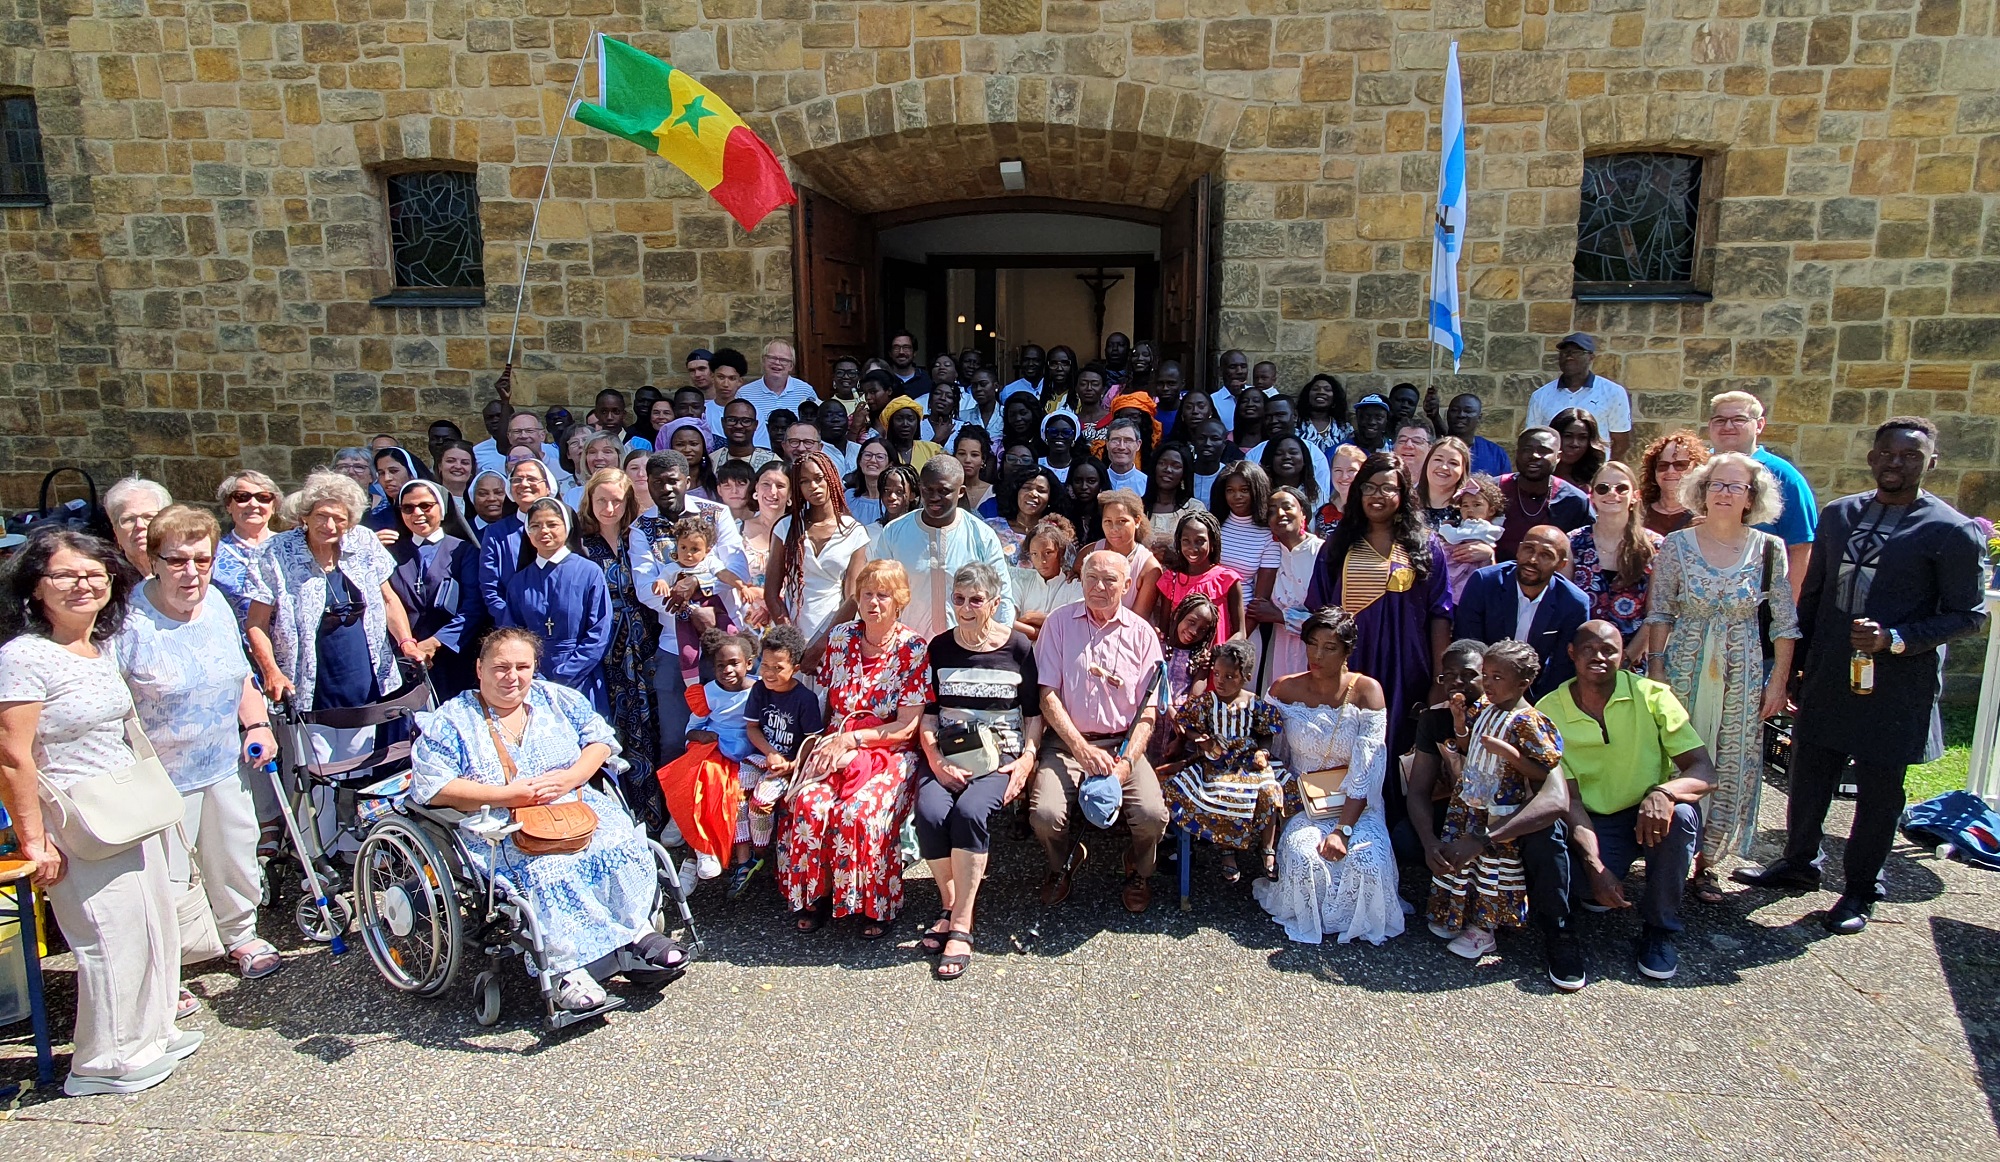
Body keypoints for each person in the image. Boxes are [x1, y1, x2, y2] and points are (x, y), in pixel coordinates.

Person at [1735, 417, 1990, 934]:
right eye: (1888, 454)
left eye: (1911, 456)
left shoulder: (1949, 529)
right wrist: (1793, 663)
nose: (1897, 463)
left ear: (1931, 462)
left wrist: (1896, 638)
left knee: (1878, 789)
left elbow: (1970, 614)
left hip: (1898, 684)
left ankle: (1859, 889)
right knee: (1809, 773)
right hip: (1830, 671)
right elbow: (1814, 594)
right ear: (1872, 457)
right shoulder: (1840, 515)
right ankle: (1798, 861)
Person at [0, 529, 214, 1095]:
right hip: (76, 816)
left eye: (95, 574)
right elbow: (12, 757)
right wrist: (34, 841)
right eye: (66, 575)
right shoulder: (22, 657)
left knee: (153, 926)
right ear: (35, 587)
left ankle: (151, 1032)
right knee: (107, 937)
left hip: (126, 804)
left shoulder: (95, 646)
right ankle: (105, 1062)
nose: (84, 584)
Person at [409, 628, 685, 1013]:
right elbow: (433, 786)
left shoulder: (556, 699)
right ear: (479, 668)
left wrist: (574, 776)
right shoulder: (452, 720)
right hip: (501, 826)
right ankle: (565, 969)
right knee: (550, 870)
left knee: (622, 843)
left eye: (522, 666)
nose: (513, 676)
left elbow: (600, 740)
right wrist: (507, 796)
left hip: (573, 808)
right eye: (501, 667)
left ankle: (634, 935)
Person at [111, 505, 283, 987]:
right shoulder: (127, 622)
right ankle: (167, 970)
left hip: (222, 760)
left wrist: (257, 726)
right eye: (178, 560)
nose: (191, 572)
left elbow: (240, 676)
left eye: (202, 561)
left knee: (233, 850)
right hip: (157, 773)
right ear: (155, 561)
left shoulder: (217, 609)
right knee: (163, 875)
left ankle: (239, 934)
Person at [1644, 451, 1799, 902]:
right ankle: (1665, 851)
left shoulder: (1769, 550)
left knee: (1731, 762)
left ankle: (1707, 862)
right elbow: (1660, 612)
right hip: (1684, 667)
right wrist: (1656, 672)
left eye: (1737, 486)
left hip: (1742, 671)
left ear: (1752, 498)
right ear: (1702, 491)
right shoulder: (1677, 544)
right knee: (1674, 756)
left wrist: (1777, 683)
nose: (1725, 493)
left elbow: (1784, 624)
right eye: (1717, 484)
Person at [1537, 621, 1715, 980]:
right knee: (1582, 880)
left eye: (1610, 650)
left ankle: (1659, 931)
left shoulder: (1653, 696)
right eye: (1589, 649)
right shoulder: (1549, 710)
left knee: (1681, 815)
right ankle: (1577, 913)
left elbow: (1704, 772)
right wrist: (1595, 866)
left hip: (1647, 813)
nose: (1599, 657)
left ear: (1624, 656)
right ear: (1572, 653)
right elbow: (1568, 801)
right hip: (1590, 820)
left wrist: (1664, 793)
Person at [780, 560, 931, 938]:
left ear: (900, 601)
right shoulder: (840, 638)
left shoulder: (913, 648)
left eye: (884, 595)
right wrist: (822, 746)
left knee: (860, 811)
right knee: (808, 803)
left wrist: (854, 740)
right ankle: (817, 895)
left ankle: (875, 904)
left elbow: (907, 726)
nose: (874, 603)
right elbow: (831, 704)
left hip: (890, 749)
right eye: (867, 594)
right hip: (838, 739)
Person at [914, 562, 1042, 979]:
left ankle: (963, 925)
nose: (966, 608)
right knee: (931, 811)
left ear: (995, 603)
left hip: (1000, 761)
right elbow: (929, 716)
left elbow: (1033, 715)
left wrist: (1026, 760)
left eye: (976, 600)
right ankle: (950, 905)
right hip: (949, 757)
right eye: (958, 599)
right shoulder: (939, 648)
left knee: (969, 813)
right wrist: (936, 761)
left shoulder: (1019, 648)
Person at [245, 472, 420, 767]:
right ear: (305, 515)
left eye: (339, 519)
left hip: (362, 679)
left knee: (360, 768)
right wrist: (272, 671)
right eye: (321, 516)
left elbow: (389, 600)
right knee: (318, 775)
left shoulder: (363, 542)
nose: (329, 526)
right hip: (309, 685)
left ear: (351, 521)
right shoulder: (275, 553)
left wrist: (406, 642)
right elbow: (256, 624)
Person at [1028, 550, 1168, 913]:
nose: (1099, 587)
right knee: (1044, 814)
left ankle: (1138, 868)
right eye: (1092, 577)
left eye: (1110, 580)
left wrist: (1124, 765)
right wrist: (1080, 748)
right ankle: (1063, 864)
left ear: (1127, 585)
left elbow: (1148, 710)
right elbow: (1046, 694)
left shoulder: (1142, 634)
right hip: (1066, 741)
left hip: (1123, 743)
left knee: (1152, 816)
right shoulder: (1059, 623)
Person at [1253, 606, 1399, 945]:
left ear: (1348, 650)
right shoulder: (1284, 688)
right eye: (1312, 644)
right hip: (1307, 801)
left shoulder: (1367, 691)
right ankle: (1308, 914)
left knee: (1368, 858)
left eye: (1329, 647)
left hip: (1358, 804)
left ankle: (1359, 921)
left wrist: (1343, 831)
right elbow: (1266, 737)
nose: (1317, 655)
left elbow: (1366, 767)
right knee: (1305, 855)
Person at [1305, 453, 1453, 767]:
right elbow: (1319, 613)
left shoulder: (1426, 547)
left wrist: (1439, 681)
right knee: (1344, 740)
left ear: (1403, 495)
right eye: (1369, 488)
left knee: (1397, 742)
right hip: (1350, 661)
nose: (1377, 496)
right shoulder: (1337, 546)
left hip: (1406, 664)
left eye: (1388, 488)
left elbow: (1440, 614)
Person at [1423, 639, 1565, 962]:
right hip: (1468, 802)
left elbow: (1543, 771)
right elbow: (1468, 745)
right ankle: (1454, 914)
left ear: (1524, 682)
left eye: (1498, 678)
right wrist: (1460, 726)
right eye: (1486, 676)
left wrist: (1511, 755)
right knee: (1462, 862)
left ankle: (1484, 930)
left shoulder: (1527, 721)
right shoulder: (1486, 709)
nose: (1488, 684)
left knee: (1491, 868)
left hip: (1497, 810)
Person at [631, 450, 749, 763]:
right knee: (676, 738)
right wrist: (687, 610)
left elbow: (738, 569)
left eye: (672, 481)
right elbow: (646, 589)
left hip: (722, 641)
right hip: (674, 645)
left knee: (731, 732)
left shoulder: (716, 514)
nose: (666, 489)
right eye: (657, 483)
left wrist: (700, 584)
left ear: (686, 480)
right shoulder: (641, 528)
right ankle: (679, 809)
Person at [1162, 640, 1286, 884]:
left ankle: (1267, 848)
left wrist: (1264, 751)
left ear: (1246, 677)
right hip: (1217, 763)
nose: (1221, 681)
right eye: (1217, 674)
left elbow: (1265, 732)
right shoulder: (1208, 702)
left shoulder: (1254, 702)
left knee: (1271, 791)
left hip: (1248, 763)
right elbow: (1187, 725)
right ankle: (1226, 851)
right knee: (1223, 793)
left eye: (1230, 676)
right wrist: (1202, 741)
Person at [575, 468, 660, 804]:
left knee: (652, 725)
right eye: (602, 501)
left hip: (645, 644)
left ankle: (655, 808)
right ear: (590, 501)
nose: (609, 508)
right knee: (613, 725)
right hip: (606, 647)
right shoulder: (581, 544)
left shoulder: (638, 538)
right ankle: (621, 805)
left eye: (617, 501)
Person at [869, 455, 1015, 645]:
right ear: (920, 489)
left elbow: (1001, 596)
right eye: (928, 490)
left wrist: (999, 647)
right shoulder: (894, 533)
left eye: (944, 491)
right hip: (905, 648)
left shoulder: (982, 536)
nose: (934, 497)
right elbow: (875, 590)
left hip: (965, 649)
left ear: (961, 492)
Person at [1453, 525, 1591, 701]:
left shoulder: (1573, 603)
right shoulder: (1484, 583)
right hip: (1482, 688)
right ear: (1518, 550)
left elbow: (1562, 667)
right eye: (1528, 549)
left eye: (1545, 555)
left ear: (1561, 565)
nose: (1533, 559)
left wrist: (1537, 705)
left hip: (1536, 693)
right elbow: (1468, 645)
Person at [1708, 390, 1817, 601]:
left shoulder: (1783, 477)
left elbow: (1801, 548)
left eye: (1739, 419)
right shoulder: (1697, 470)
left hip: (1757, 605)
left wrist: (1788, 613)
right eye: (1720, 419)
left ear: (1759, 425)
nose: (1728, 426)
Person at [386, 479, 482, 700]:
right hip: (404, 658)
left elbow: (473, 607)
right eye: (408, 508)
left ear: (442, 508)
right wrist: (407, 644)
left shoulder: (463, 551)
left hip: (452, 658)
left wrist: (436, 642)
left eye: (425, 506)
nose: (417, 513)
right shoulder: (390, 553)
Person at [767, 450, 871, 644]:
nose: (813, 486)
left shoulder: (854, 532)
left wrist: (821, 646)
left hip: (835, 636)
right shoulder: (786, 527)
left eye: (818, 478)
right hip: (790, 638)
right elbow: (771, 594)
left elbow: (852, 598)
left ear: (831, 478)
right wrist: (791, 641)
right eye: (803, 481)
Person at [1570, 461, 1663, 662]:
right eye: (1603, 488)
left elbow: (1655, 613)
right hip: (1580, 660)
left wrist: (1626, 659)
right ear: (1592, 496)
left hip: (1634, 661)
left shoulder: (1656, 547)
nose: (1612, 493)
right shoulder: (1572, 543)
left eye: (1622, 488)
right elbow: (1563, 607)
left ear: (1635, 497)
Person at [1258, 486, 1325, 691]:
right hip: (1279, 648)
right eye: (1272, 510)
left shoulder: (1322, 553)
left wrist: (1282, 616)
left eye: (1287, 507)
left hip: (1315, 649)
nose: (1279, 514)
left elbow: (1330, 613)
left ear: (1303, 512)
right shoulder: (1270, 554)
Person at [1525, 333, 1632, 462]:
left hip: (1593, 472)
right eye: (1565, 352)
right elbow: (1531, 439)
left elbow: (1621, 442)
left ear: (1591, 357)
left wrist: (1604, 470)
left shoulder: (1613, 392)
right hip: (1554, 474)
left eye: (1577, 352)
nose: (1569, 356)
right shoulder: (1541, 396)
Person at [476, 457, 559, 620]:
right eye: (517, 480)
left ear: (548, 487)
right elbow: (490, 588)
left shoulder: (565, 527)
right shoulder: (496, 533)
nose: (524, 484)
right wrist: (510, 622)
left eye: (532, 479)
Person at [1495, 427, 1592, 560]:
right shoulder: (1494, 489)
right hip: (1494, 575)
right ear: (1517, 453)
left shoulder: (1575, 501)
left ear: (1558, 457)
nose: (1534, 456)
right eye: (1527, 450)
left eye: (1543, 451)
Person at [1155, 509, 1246, 646]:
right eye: (1186, 541)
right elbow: (1164, 629)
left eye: (1200, 541)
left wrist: (1218, 654)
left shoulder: (1227, 580)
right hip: (1178, 662)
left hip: (1216, 663)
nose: (1193, 548)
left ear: (1213, 543)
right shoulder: (1171, 580)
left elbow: (1240, 632)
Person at [212, 471, 281, 629]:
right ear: (229, 505)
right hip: (235, 647)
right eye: (243, 497)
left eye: (263, 497)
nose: (253, 504)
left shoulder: (291, 549)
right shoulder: (212, 553)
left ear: (274, 506)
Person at [1079, 489, 1160, 619]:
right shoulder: (1089, 552)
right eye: (1108, 521)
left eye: (1121, 521)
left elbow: (1139, 619)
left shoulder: (1149, 568)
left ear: (1137, 521)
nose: (1114, 529)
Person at [1008, 516, 1082, 641]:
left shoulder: (1074, 586)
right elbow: (1007, 622)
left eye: (1048, 553)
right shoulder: (1021, 584)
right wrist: (1039, 631)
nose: (1041, 561)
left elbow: (1074, 625)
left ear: (1061, 551)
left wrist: (1030, 618)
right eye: (1034, 554)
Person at [989, 465, 1061, 566]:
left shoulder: (1058, 535)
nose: (1033, 494)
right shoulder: (990, 529)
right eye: (1026, 488)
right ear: (1015, 492)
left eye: (1041, 491)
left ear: (1051, 498)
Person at [1640, 429, 1707, 537]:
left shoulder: (1706, 515)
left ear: (1697, 468)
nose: (1670, 471)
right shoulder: (1637, 513)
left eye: (1680, 465)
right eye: (1663, 465)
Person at [1428, 391, 1511, 477]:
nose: (1461, 415)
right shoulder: (1433, 450)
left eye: (1468, 411)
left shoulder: (1496, 454)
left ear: (1479, 417)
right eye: (1454, 410)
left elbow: (1505, 486)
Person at [739, 340, 818, 424]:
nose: (777, 363)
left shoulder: (806, 391)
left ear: (791, 366)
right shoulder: (744, 394)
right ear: (763, 361)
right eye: (772, 358)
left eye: (783, 360)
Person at [105, 476, 171, 576]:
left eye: (148, 517)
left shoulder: (187, 569)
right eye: (129, 519)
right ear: (115, 531)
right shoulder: (109, 578)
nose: (140, 525)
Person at [1145, 442, 1202, 545]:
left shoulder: (1194, 508)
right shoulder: (1138, 507)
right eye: (1162, 463)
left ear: (1184, 473)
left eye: (1176, 466)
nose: (1168, 470)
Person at [1549, 406, 1607, 490]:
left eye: (1582, 437)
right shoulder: (1536, 475)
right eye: (1568, 436)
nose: (1574, 444)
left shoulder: (1599, 479)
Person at [843, 436, 895, 525]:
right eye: (868, 455)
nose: (873, 460)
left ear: (890, 464)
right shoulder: (848, 497)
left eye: (880, 457)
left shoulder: (894, 500)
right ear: (859, 461)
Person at [1296, 374, 1351, 457]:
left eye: (1327, 389)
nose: (1321, 392)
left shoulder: (1344, 428)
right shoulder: (1296, 425)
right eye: (1315, 389)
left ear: (1335, 397)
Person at [954, 427, 1000, 516]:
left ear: (983, 459)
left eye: (974, 455)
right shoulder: (947, 491)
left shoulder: (995, 493)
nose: (967, 460)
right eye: (962, 454)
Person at [886, 330, 933, 397]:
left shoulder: (926, 379)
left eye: (906, 348)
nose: (901, 352)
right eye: (896, 348)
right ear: (890, 353)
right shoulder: (884, 378)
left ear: (914, 353)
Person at [1390, 419, 1434, 486]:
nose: (1408, 445)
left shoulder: (1436, 485)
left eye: (1417, 441)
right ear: (1394, 447)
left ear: (1430, 449)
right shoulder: (1382, 479)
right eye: (1402, 440)